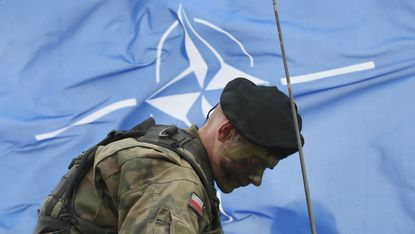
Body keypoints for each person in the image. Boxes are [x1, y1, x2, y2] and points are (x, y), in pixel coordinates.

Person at [34, 77, 304, 234]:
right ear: (226, 132)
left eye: (267, 169)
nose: (257, 179)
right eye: (254, 162)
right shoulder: (176, 183)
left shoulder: (172, 162)